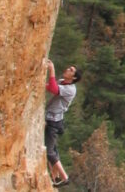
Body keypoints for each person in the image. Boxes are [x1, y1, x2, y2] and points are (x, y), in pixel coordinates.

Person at [45, 58, 81, 188]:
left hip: (54, 121)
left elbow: (54, 90)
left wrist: (52, 70)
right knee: (51, 148)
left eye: (71, 70)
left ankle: (65, 177)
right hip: (53, 119)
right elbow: (50, 87)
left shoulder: (71, 89)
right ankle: (55, 177)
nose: (67, 69)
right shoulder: (63, 82)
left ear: (74, 77)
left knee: (49, 152)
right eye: (69, 68)